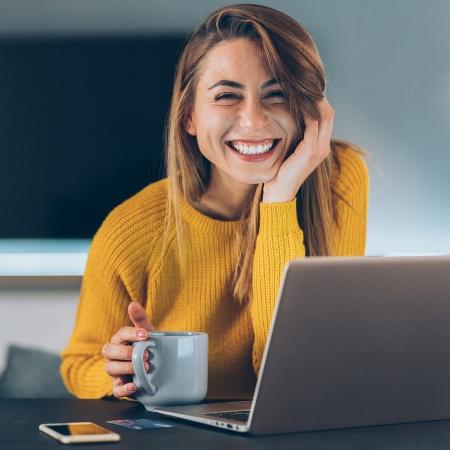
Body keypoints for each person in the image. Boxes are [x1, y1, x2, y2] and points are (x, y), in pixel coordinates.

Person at [60, 3, 369, 401]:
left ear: (308, 111)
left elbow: (297, 374)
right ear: (189, 117)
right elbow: (78, 364)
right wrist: (120, 371)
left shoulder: (338, 178)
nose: (254, 121)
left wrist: (278, 199)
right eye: (227, 96)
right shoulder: (131, 228)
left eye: (278, 94)